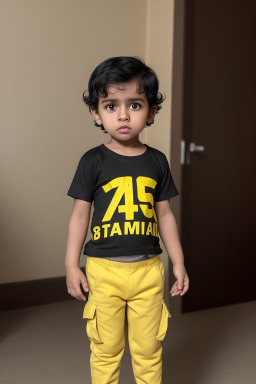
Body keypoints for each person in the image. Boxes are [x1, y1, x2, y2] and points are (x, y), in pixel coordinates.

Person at [65, 56, 189, 384]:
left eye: (134, 105)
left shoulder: (157, 161)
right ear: (96, 112)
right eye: (110, 105)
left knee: (148, 349)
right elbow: (80, 216)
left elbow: (165, 216)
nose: (122, 115)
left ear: (151, 112)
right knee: (106, 348)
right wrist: (71, 264)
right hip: (103, 272)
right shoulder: (92, 161)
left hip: (149, 270)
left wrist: (178, 262)